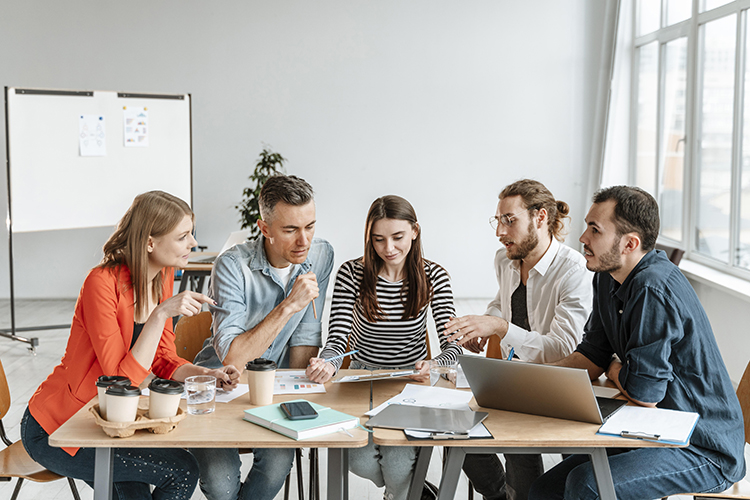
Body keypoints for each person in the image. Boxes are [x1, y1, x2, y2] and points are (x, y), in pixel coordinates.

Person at [528, 186, 746, 499]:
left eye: (595, 229)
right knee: (545, 489)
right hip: (655, 430)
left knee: (586, 485)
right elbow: (592, 357)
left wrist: (615, 369)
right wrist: (532, 379)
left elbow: (645, 395)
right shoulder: (607, 275)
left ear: (630, 243)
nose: (582, 238)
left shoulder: (652, 287)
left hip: (703, 449)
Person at [21, 191, 241, 500]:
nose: (193, 243)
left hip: (115, 424)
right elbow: (118, 380)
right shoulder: (101, 282)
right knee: (181, 471)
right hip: (64, 428)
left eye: (192, 234)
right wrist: (161, 313)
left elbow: (163, 358)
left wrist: (203, 373)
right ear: (151, 242)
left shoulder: (162, 276)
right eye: (183, 237)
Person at [443, 179, 593, 500]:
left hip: (560, 384)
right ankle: (499, 496)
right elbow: (502, 302)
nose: (500, 231)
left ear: (540, 218)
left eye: (509, 221)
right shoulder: (506, 259)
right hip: (518, 377)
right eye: (497, 220)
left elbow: (561, 350)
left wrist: (498, 325)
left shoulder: (573, 271)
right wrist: (481, 327)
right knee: (454, 431)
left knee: (516, 445)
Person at [306, 194, 461, 500]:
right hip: (362, 380)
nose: (388, 249)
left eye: (397, 237)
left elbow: (452, 347)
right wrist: (327, 363)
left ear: (415, 231)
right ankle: (414, 492)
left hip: (410, 384)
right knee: (358, 458)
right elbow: (337, 340)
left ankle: (403, 493)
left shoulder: (434, 275)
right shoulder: (351, 274)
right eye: (378, 240)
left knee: (398, 461)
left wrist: (435, 365)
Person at [191, 174, 334, 500]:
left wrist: (296, 395)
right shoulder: (231, 265)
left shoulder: (322, 255)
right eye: (290, 230)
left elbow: (307, 333)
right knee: (221, 482)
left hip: (274, 390)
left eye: (310, 226)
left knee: (277, 463)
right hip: (219, 388)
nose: (304, 241)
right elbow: (232, 357)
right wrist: (288, 306)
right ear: (264, 228)